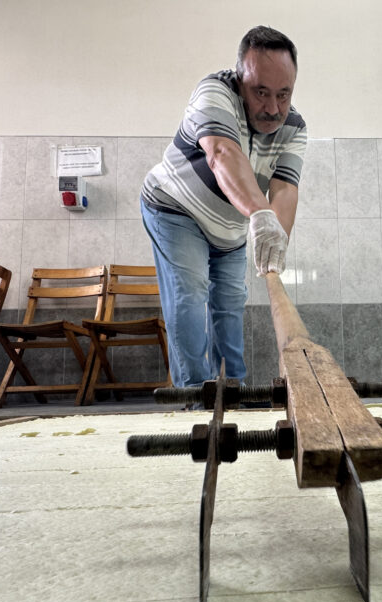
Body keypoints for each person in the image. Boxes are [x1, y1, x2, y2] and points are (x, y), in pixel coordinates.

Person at [140, 26, 306, 387]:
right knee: (190, 291)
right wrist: (260, 215)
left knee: (230, 302)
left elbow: (285, 189)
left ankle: (233, 391)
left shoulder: (294, 127)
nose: (273, 108)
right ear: (240, 79)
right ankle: (195, 395)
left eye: (283, 94)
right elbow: (222, 154)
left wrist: (276, 238)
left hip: (229, 227)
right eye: (260, 92)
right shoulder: (215, 91)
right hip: (176, 208)